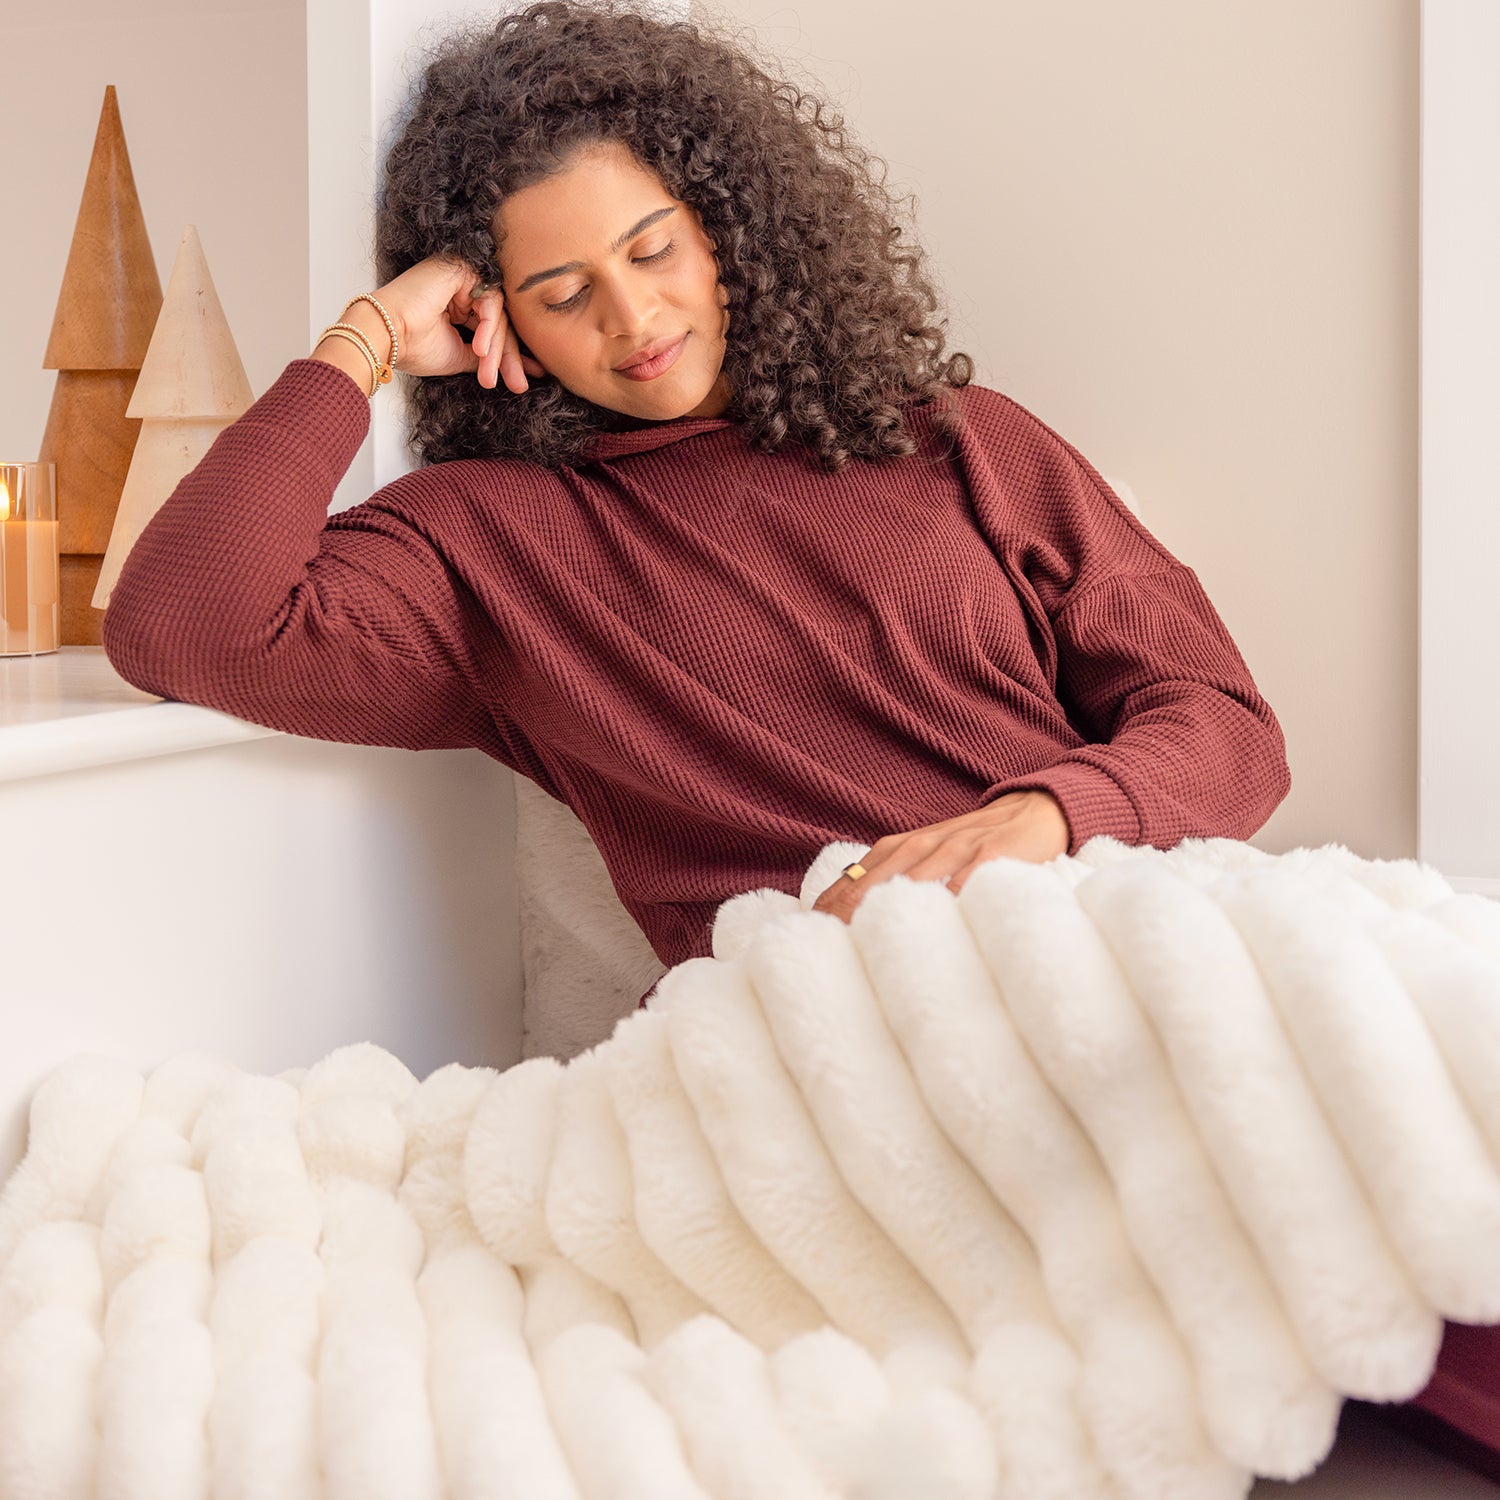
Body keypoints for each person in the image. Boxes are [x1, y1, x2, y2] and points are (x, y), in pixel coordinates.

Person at [101, 0, 1290, 1004]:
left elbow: (1224, 721)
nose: (632, 320)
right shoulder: (487, 540)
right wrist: (361, 342)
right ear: (495, 317)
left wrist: (1048, 816)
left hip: (1119, 924)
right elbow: (181, 622)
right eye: (564, 291)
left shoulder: (959, 439)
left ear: (730, 226)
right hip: (848, 1013)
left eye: (654, 250)